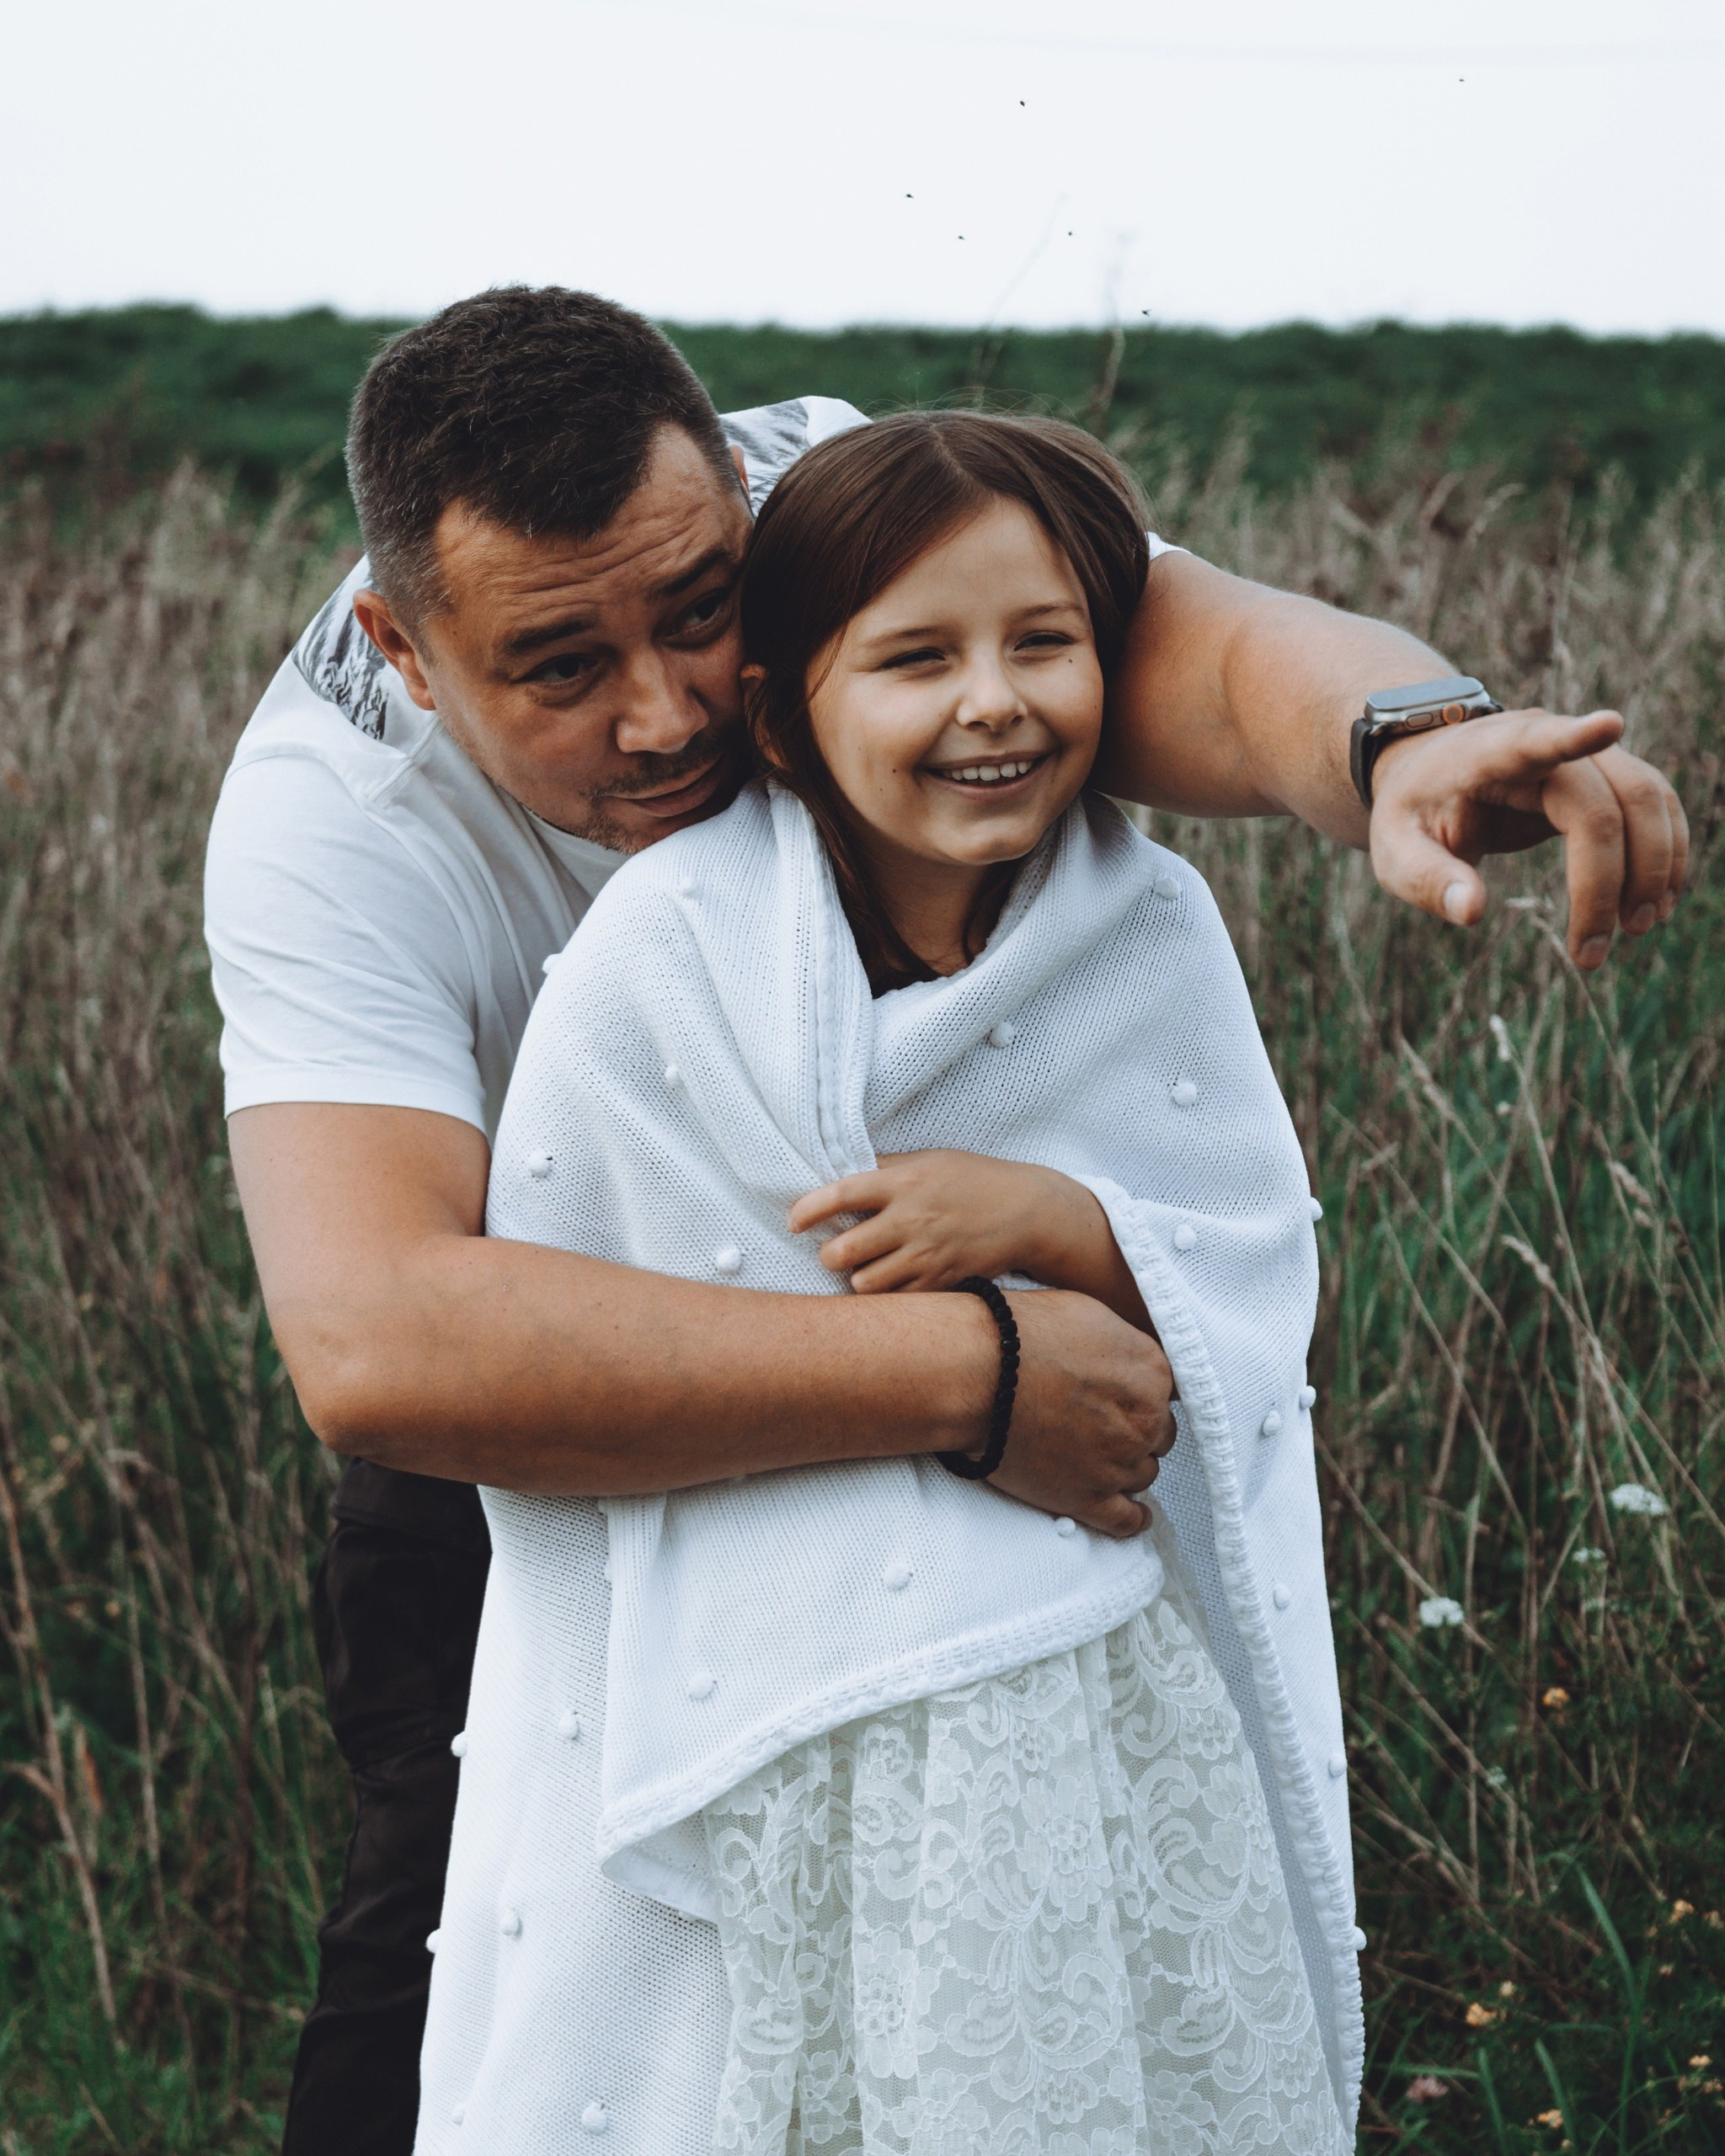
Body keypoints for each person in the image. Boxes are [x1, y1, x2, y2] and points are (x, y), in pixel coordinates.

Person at [202, 286, 1685, 2153]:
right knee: (454, 1976)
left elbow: (1198, 653)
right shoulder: (328, 826)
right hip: (561, 1404)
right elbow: (379, 1340)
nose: (669, 713)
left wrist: (1404, 738)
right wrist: (975, 1376)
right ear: (405, 655)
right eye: (559, 668)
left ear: (745, 508)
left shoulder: (837, 497)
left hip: (1014, 1408)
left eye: (703, 612)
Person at [422, 409, 1352, 2153]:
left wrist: (1056, 1217)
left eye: (1044, 643)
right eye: (918, 658)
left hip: (1084, 1690)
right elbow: (580, 1313)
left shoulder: (1145, 927)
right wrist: (947, 1374)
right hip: (774, 1703)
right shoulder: (662, 952)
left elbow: (1249, 1264)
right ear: (781, 712)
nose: (993, 702)